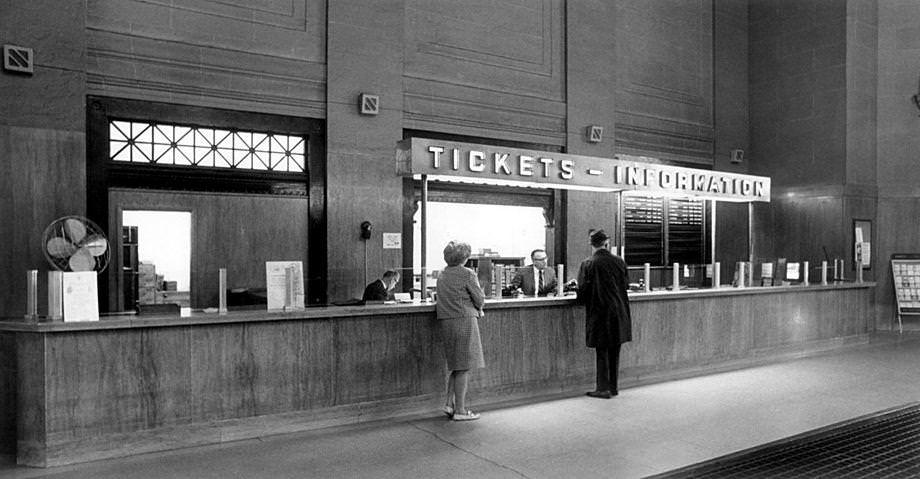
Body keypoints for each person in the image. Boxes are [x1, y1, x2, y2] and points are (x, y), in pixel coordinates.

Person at [576, 229, 632, 399]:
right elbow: (626, 285)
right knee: (615, 350)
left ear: (590, 243)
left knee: (602, 352)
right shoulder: (619, 261)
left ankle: (602, 389)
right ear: (607, 243)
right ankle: (613, 387)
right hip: (619, 312)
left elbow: (583, 291)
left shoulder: (588, 263)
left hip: (600, 312)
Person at [435, 240, 486, 421]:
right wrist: (479, 306)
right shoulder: (467, 273)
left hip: (447, 321)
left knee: (456, 364)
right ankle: (461, 411)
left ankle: (449, 404)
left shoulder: (442, 273)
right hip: (464, 320)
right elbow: (479, 298)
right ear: (464, 257)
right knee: (464, 367)